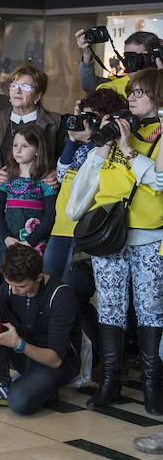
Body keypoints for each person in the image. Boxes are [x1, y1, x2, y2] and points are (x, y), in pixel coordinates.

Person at [67, 67, 163, 414]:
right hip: (110, 237)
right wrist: (101, 149)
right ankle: (110, 382)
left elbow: (160, 181)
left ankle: (153, 385)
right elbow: (78, 198)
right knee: (110, 308)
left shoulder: (158, 133)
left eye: (140, 92)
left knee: (151, 310)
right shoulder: (117, 132)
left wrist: (128, 149)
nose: (133, 97)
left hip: (149, 236)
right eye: (131, 93)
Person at [44, 89, 127, 358]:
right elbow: (61, 171)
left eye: (91, 117)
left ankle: (103, 354)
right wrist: (72, 139)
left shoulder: (109, 146)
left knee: (76, 295)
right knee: (50, 291)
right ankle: (65, 352)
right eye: (83, 115)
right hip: (61, 229)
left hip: (89, 232)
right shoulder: (79, 146)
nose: (84, 121)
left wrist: (93, 138)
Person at [0, 244, 81, 414]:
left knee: (19, 403)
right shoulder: (11, 288)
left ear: (39, 277)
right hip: (25, 354)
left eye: (21, 286)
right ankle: (0, 382)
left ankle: (45, 387)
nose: (14, 290)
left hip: (54, 363)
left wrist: (19, 344)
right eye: (10, 284)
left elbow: (56, 359)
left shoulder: (61, 296)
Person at [0, 63, 64, 247]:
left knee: (34, 265)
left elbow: (66, 162)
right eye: (13, 86)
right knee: (4, 265)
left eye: (25, 87)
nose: (17, 91)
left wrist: (58, 173)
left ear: (38, 96)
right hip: (0, 209)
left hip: (40, 210)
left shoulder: (54, 123)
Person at [0, 124, 57, 278]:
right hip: (9, 240)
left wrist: (30, 242)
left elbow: (51, 216)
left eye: (25, 146)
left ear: (38, 150)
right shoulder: (6, 176)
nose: (18, 150)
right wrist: (6, 238)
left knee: (32, 278)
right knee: (5, 279)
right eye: (15, 145)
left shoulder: (45, 179)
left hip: (34, 241)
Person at [77, 30, 161, 95]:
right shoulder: (115, 87)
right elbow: (89, 85)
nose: (128, 64)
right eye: (126, 58)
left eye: (133, 58)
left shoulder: (159, 84)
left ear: (152, 58)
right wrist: (87, 52)